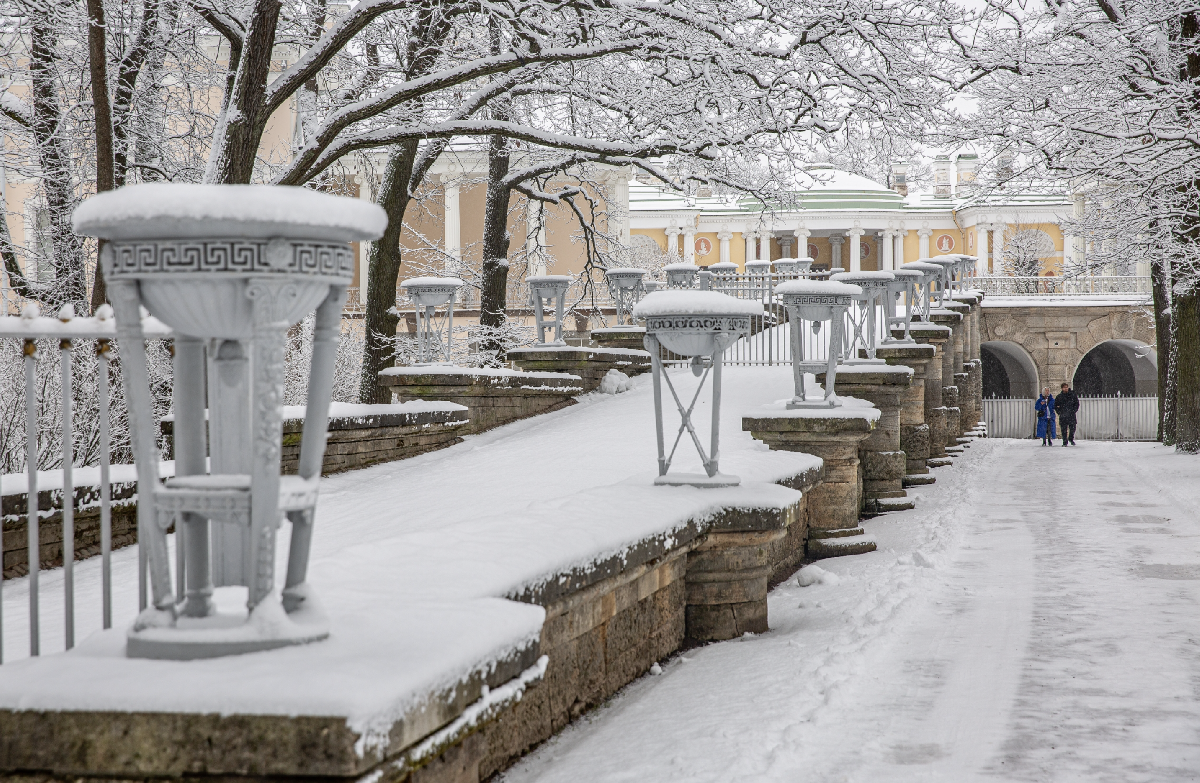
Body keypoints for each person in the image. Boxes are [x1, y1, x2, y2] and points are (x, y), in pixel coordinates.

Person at [1055, 382, 1079, 446]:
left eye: (1066, 387)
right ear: (1062, 388)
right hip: (1063, 415)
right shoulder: (1059, 397)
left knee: (1072, 428)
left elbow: (1076, 404)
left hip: (1071, 415)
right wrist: (1060, 412)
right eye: (1064, 387)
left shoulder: (1072, 395)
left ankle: (1071, 438)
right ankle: (1065, 441)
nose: (1066, 389)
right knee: (1063, 430)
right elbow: (1056, 405)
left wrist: (1073, 411)